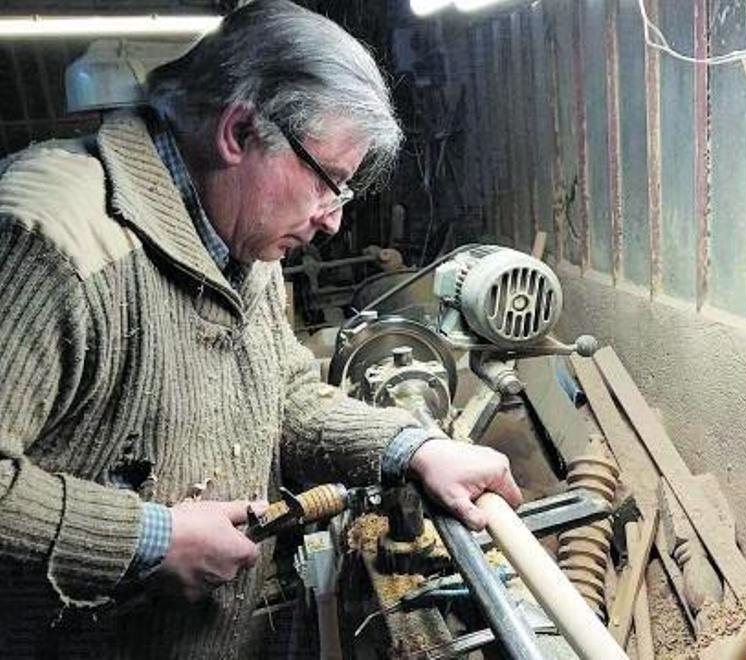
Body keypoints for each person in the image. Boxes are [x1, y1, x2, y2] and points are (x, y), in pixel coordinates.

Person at [0, 1, 522, 657]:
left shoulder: (238, 240)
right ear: (240, 132)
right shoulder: (55, 243)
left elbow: (286, 396)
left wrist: (414, 449)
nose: (332, 220)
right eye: (328, 180)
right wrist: (145, 539)